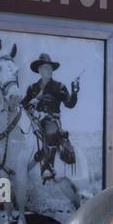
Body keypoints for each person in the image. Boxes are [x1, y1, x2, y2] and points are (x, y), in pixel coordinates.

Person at [21, 53, 79, 182]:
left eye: (49, 68)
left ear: (52, 70)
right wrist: (35, 100)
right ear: (39, 70)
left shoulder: (60, 87)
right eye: (44, 68)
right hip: (34, 119)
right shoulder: (33, 88)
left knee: (51, 130)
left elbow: (70, 104)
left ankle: (47, 167)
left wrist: (74, 92)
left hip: (52, 120)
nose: (47, 70)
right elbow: (23, 105)